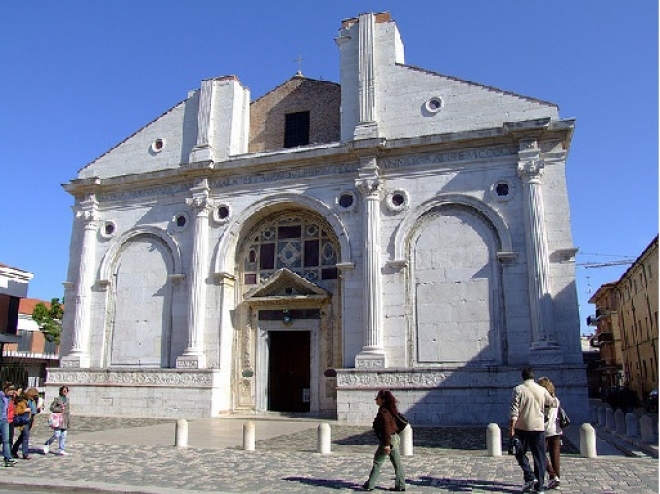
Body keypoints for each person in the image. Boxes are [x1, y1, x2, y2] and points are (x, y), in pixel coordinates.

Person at [510, 367, 557, 493]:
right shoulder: (541, 389)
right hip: (538, 427)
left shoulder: (518, 389)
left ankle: (529, 476)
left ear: (522, 377)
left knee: (519, 453)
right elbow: (553, 403)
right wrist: (544, 409)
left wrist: (512, 428)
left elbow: (515, 411)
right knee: (539, 456)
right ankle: (540, 486)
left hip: (522, 426)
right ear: (533, 377)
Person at [362, 390, 406, 492]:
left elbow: (387, 428)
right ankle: (400, 485)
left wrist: (387, 445)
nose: (376, 400)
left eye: (377, 398)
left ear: (382, 400)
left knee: (377, 462)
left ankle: (370, 484)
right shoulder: (389, 410)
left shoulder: (384, 412)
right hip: (393, 439)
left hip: (388, 440)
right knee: (397, 463)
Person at [538, 377, 562, 490]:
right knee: (555, 456)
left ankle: (552, 475)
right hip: (556, 430)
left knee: (540, 453)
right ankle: (556, 478)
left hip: (544, 430)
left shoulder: (543, 401)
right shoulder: (556, 399)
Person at [12, 387, 39, 459]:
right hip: (24, 421)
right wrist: (25, 410)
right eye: (34, 396)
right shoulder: (23, 401)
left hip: (29, 420)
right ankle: (25, 454)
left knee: (22, 438)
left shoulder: (33, 401)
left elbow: (33, 411)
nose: (34, 397)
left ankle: (13, 450)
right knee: (25, 437)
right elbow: (17, 411)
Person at [43, 386, 70, 456]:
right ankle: (47, 443)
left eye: (66, 391)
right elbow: (51, 408)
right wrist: (59, 409)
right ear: (61, 391)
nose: (65, 392)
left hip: (65, 419)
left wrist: (68, 421)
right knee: (57, 434)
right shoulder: (57, 399)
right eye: (64, 391)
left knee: (64, 435)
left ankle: (61, 449)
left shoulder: (67, 399)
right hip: (58, 419)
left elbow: (68, 411)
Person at [0, 386, 17, 467]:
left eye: (13, 391)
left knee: (6, 440)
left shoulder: (9, 398)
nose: (11, 392)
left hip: (5, 420)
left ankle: (8, 459)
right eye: (10, 391)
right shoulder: (0, 395)